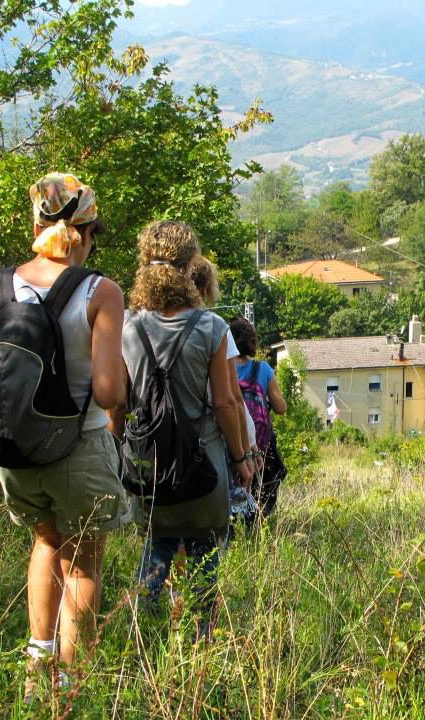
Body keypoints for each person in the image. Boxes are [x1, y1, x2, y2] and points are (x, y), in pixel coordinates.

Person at [0, 173, 129, 700]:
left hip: (13, 451)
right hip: (80, 445)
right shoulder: (100, 291)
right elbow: (109, 392)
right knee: (84, 559)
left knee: (46, 541)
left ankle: (36, 668)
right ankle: (69, 685)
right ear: (87, 233)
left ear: (35, 226)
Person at [116, 221, 252, 632]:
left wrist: (117, 458)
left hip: (148, 464)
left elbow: (119, 401)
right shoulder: (211, 328)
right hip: (202, 463)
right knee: (205, 548)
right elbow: (226, 402)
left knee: (158, 542)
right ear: (191, 265)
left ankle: (143, 634)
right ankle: (201, 637)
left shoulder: (128, 326)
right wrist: (241, 458)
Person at [229, 315, 287, 517]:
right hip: (261, 446)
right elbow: (281, 408)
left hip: (231, 444)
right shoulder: (263, 369)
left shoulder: (223, 369)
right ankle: (260, 522)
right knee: (265, 488)